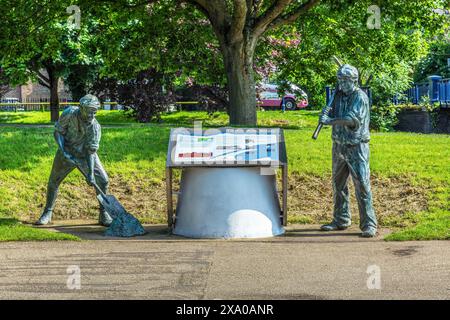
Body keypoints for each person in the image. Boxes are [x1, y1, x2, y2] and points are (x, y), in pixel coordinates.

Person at [35, 94, 113, 226]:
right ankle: (47, 212)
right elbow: (58, 132)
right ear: (81, 108)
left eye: (94, 112)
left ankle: (103, 213)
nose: (91, 115)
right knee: (54, 181)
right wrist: (63, 151)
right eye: (89, 112)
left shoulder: (95, 127)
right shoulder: (69, 113)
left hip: (85, 156)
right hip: (66, 152)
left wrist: (91, 174)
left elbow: (91, 151)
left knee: (103, 180)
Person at [319, 64, 377, 237]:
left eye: (345, 80)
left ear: (354, 80)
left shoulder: (360, 96)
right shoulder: (337, 96)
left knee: (362, 184)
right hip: (338, 145)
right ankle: (340, 219)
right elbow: (334, 114)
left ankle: (369, 224)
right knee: (338, 184)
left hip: (356, 146)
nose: (342, 84)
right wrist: (326, 114)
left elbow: (351, 120)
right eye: (339, 80)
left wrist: (330, 120)